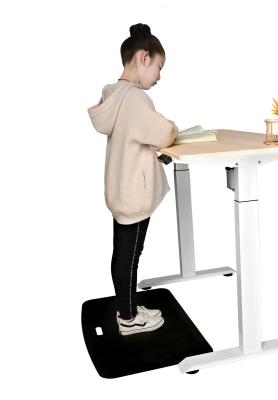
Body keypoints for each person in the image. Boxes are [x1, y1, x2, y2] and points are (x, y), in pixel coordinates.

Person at [87, 23, 179, 335]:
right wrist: (172, 127)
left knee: (123, 254)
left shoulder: (114, 95)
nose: (159, 76)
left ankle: (127, 307)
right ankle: (128, 319)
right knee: (130, 256)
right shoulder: (135, 98)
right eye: (159, 67)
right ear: (144, 58)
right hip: (135, 193)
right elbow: (163, 132)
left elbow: (136, 136)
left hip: (119, 189)